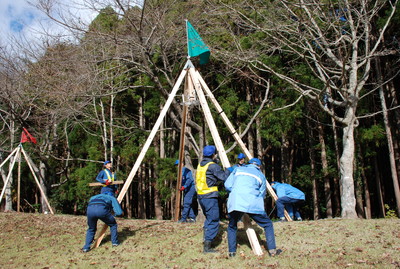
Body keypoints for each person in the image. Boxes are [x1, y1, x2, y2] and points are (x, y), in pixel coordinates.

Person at [225, 158, 278, 257]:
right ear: (259, 166)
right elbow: (262, 194)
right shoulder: (261, 176)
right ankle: (272, 250)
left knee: (232, 226)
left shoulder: (238, 170)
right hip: (253, 203)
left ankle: (232, 252)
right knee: (268, 224)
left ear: (248, 164)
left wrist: (236, 192)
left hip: (236, 202)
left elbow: (227, 185)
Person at [196, 145, 231, 253]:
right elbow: (224, 177)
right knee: (214, 219)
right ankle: (207, 246)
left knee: (209, 218)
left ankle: (206, 239)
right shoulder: (213, 166)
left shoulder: (201, 165)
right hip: (209, 196)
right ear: (213, 154)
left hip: (201, 196)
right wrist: (229, 170)